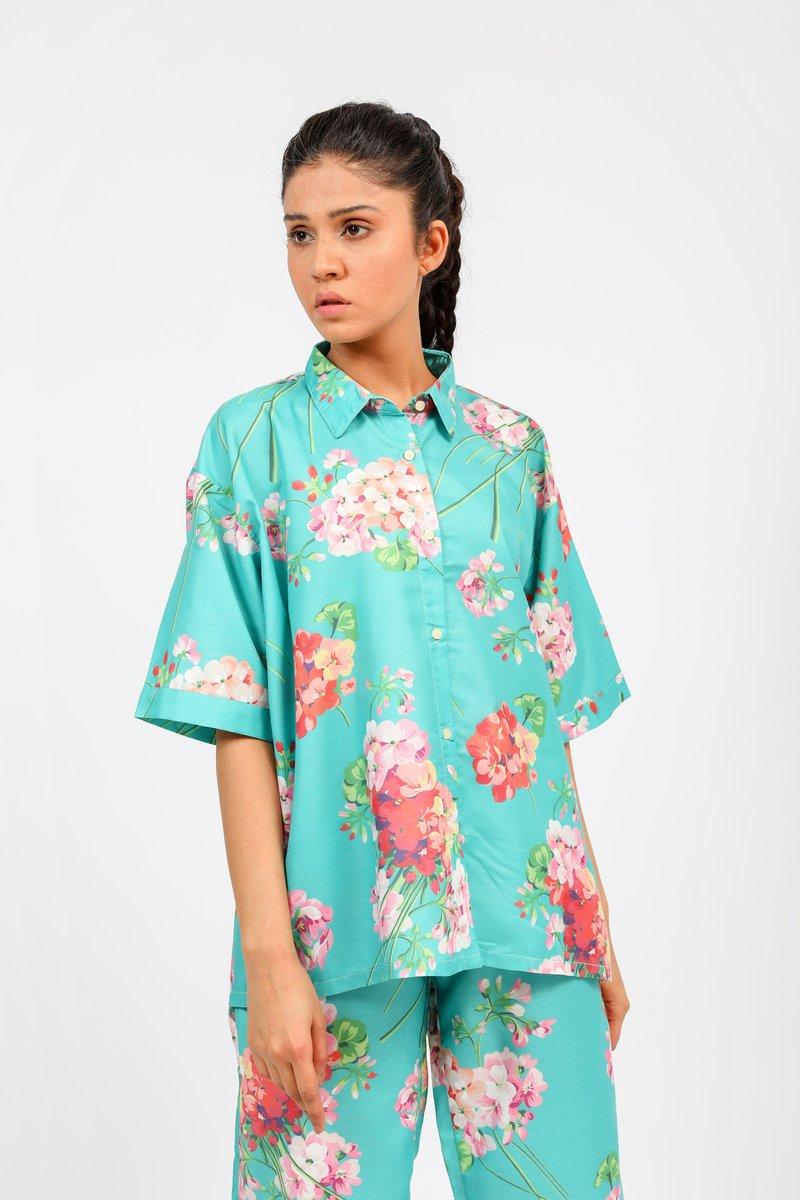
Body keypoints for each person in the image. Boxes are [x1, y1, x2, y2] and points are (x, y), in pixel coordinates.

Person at [133, 100, 632, 1200]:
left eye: (354, 228)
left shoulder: (510, 452)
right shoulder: (251, 443)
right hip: (333, 928)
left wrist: (592, 923)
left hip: (527, 923)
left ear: (430, 243)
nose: (321, 261)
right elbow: (234, 712)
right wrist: (269, 958)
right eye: (299, 233)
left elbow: (544, 709)